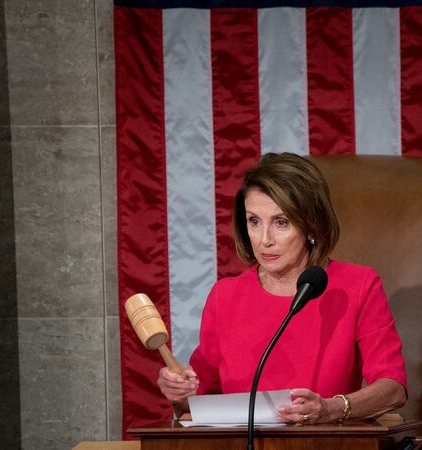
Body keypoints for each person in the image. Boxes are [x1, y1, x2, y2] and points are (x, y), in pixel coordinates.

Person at [156, 152, 407, 425]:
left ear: (311, 224)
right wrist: (179, 393)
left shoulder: (357, 286)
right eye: (254, 221)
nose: (265, 240)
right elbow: (200, 400)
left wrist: (331, 408)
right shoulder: (225, 296)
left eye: (281, 222)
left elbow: (393, 388)